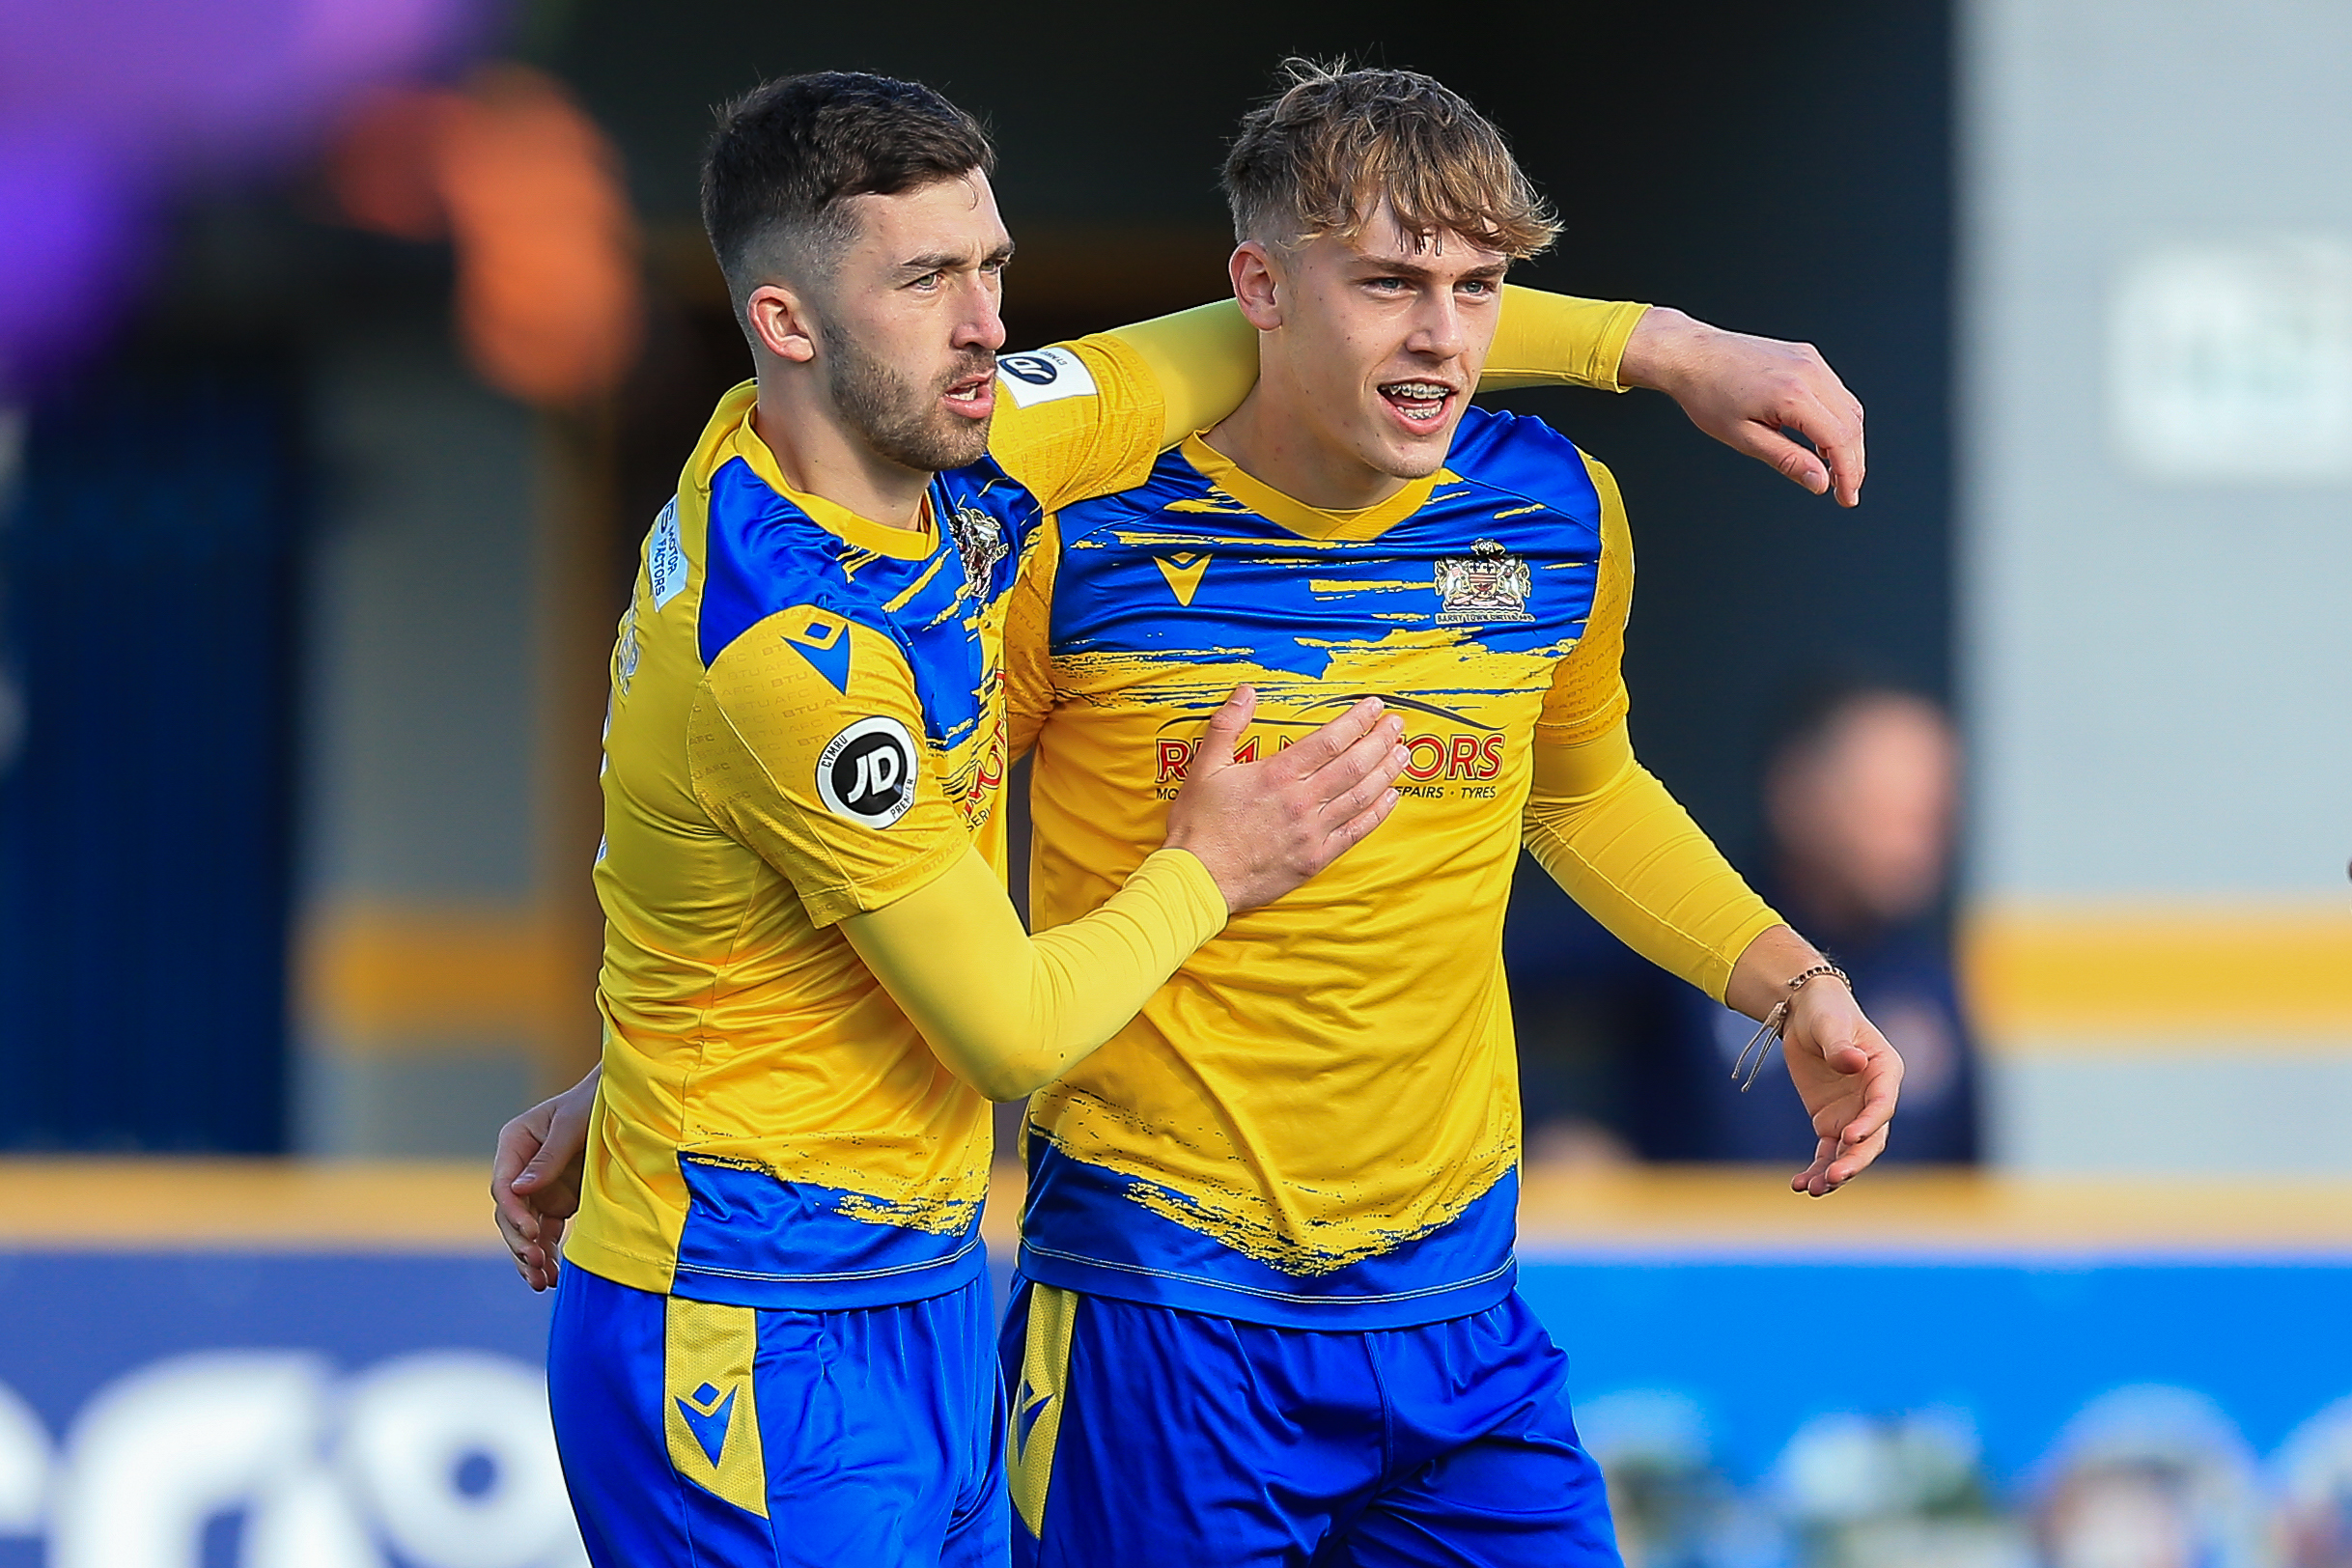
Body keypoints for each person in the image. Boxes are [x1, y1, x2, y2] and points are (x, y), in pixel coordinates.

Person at [492, 65, 1875, 1568]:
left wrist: (1665, 351)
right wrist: (1217, 865)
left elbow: (1577, 780)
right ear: (790, 325)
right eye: (927, 281)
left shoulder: (992, 452)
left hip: (1408, 1301)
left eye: (993, 271)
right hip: (1072, 1308)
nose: (988, 329)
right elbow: (981, 991)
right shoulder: (974, 570)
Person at [992, 64, 1904, 1566]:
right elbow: (918, 859)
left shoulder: (1552, 509)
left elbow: (1583, 790)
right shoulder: (1076, 528)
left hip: (1457, 1316)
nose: (1442, 337)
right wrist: (640, 1086)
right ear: (1258, 289)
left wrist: (1790, 981)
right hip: (1164, 1307)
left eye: (1480, 287)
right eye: (1391, 283)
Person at [1615, 683, 1978, 1162]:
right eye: (1886, 806)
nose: (1914, 838)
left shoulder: (1934, 981)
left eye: (1932, 813)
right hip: (1703, 1234)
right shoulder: (1694, 933)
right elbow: (1494, 975)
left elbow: (1969, 1179)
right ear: (1797, 795)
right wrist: (1556, 1131)